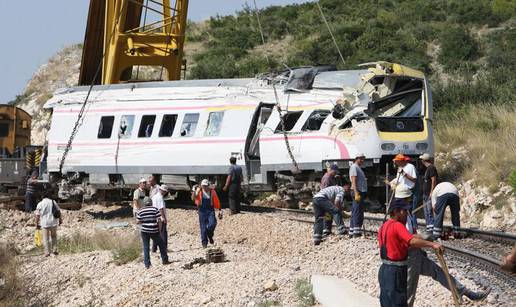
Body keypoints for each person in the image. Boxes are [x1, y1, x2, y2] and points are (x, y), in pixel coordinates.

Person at [393, 185, 489, 306]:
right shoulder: (402, 216)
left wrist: (425, 242)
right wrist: (431, 243)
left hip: (417, 254)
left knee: (438, 272)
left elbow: (414, 234)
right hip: (410, 257)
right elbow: (410, 240)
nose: (411, 200)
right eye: (409, 198)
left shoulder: (408, 213)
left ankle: (463, 291)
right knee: (409, 290)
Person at [378, 198, 442, 307]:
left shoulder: (384, 226)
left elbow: (405, 237)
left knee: (387, 301)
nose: (407, 215)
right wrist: (432, 245)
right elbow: (411, 241)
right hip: (396, 271)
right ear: (397, 211)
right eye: (404, 211)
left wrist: (423, 236)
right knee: (398, 302)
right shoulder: (398, 225)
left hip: (384, 270)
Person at [136, 196, 170, 268]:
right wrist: (159, 229)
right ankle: (165, 260)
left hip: (144, 231)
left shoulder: (140, 210)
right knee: (161, 245)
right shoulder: (155, 209)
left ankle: (147, 264)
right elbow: (159, 220)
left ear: (144, 203)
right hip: (154, 230)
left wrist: (144, 221)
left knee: (146, 247)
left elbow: (138, 221)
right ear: (151, 203)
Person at [192, 179, 223, 248]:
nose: (204, 187)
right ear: (201, 186)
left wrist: (219, 210)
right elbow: (193, 198)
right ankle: (204, 243)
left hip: (210, 210)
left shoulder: (212, 192)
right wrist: (194, 191)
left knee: (212, 223)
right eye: (203, 186)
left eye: (206, 186)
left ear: (208, 186)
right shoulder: (199, 191)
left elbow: (216, 201)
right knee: (203, 228)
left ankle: (209, 235)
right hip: (202, 210)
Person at [392, 154, 418, 226]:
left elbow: (414, 179)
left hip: (406, 193)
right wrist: (393, 183)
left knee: (406, 211)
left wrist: (404, 174)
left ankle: (411, 227)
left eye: (396, 161)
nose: (395, 163)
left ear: (401, 161)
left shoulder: (410, 167)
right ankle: (400, 225)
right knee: (398, 211)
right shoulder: (399, 167)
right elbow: (399, 180)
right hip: (398, 193)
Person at [34, 191, 62, 257]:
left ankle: (47, 252)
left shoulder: (40, 204)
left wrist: (36, 223)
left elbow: (37, 215)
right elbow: (58, 211)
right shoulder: (53, 202)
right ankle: (54, 251)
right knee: (54, 236)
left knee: (45, 238)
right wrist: (60, 220)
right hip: (53, 222)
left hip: (44, 223)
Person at [349, 154, 367, 238]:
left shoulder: (358, 167)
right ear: (356, 159)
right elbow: (354, 180)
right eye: (361, 159)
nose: (363, 160)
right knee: (357, 211)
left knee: (356, 210)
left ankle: (352, 230)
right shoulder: (354, 167)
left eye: (363, 159)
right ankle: (356, 231)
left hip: (360, 191)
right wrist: (356, 193)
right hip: (357, 191)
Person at [420, 153, 438, 234]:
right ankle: (429, 228)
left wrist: (431, 192)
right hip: (425, 193)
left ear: (424, 160)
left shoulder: (431, 168)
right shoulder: (427, 169)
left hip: (428, 194)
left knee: (429, 211)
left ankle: (431, 228)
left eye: (421, 160)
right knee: (426, 211)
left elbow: (433, 180)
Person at [320, 164, 339, 237]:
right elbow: (325, 190)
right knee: (327, 214)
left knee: (329, 215)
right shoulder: (327, 178)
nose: (336, 173)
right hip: (327, 199)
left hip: (329, 199)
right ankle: (326, 230)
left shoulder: (330, 177)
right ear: (332, 170)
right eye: (335, 172)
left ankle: (327, 230)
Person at [151, 185, 169, 252]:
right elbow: (161, 208)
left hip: (154, 216)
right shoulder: (160, 197)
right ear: (163, 191)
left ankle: (154, 248)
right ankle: (164, 248)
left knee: (156, 233)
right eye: (165, 191)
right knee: (163, 233)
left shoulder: (154, 196)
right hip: (160, 218)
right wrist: (164, 218)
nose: (165, 193)